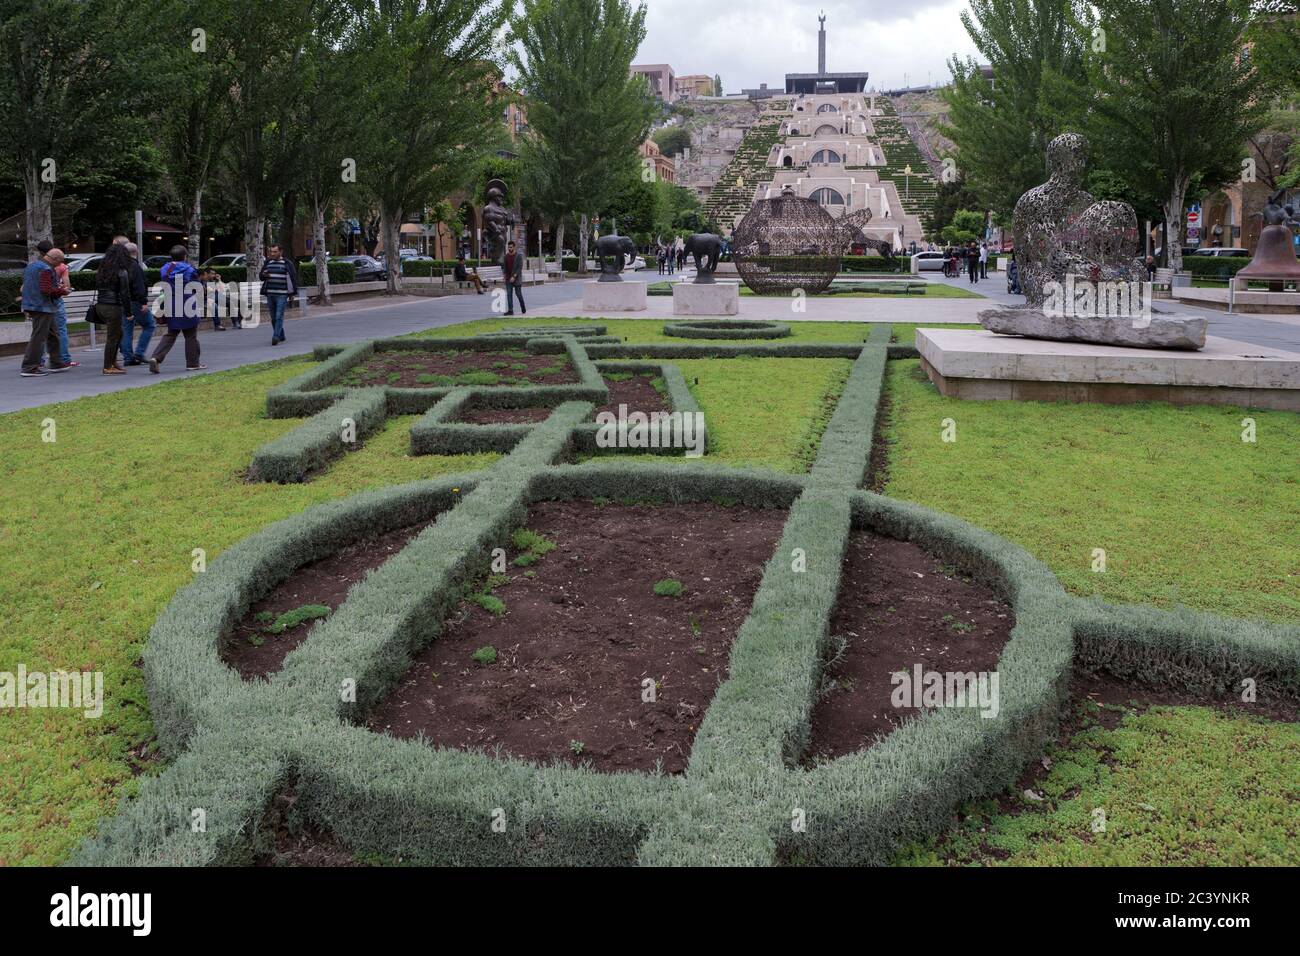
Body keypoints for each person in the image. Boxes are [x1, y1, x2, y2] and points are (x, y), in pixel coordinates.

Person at [19, 245, 73, 377]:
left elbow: (32, 286)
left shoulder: (32, 266)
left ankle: (56, 362)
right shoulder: (46, 269)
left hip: (34, 305)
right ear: (54, 259)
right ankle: (29, 367)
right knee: (39, 337)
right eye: (60, 262)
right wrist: (62, 291)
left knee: (53, 334)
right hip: (43, 307)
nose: (60, 265)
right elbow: (46, 290)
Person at [149, 244, 204, 373]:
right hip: (186, 301)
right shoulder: (189, 269)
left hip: (170, 302)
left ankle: (156, 357)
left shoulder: (165, 269)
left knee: (171, 332)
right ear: (185, 256)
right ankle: (193, 363)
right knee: (190, 334)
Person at [34, 239, 79, 369]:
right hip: (56, 300)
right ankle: (63, 358)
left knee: (40, 333)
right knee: (60, 330)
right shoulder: (61, 266)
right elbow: (67, 286)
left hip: (41, 302)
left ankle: (39, 361)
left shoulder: (37, 265)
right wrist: (63, 289)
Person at [94, 243, 133, 375]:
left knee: (118, 334)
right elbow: (125, 293)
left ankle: (113, 362)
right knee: (113, 337)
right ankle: (107, 366)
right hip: (113, 307)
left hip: (101, 305)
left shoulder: (103, 270)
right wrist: (128, 312)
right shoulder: (122, 272)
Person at [120, 242, 156, 365]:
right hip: (135, 301)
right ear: (136, 252)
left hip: (123, 302)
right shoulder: (135, 266)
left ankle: (128, 358)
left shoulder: (120, 266)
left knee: (127, 329)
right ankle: (139, 353)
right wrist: (144, 302)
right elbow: (139, 286)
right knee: (149, 325)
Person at [258, 243, 299, 345]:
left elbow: (293, 279)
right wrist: (264, 274)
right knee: (273, 318)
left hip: (282, 294)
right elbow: (261, 277)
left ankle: (275, 337)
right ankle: (282, 335)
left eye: (275, 252)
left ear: (281, 252)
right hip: (270, 294)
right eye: (271, 251)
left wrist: (292, 294)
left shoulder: (287, 263)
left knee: (278, 316)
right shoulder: (268, 262)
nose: (272, 254)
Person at [197, 266, 227, 331]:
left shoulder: (210, 281)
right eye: (212, 274)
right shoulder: (199, 282)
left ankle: (236, 322)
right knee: (214, 305)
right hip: (203, 300)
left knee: (228, 301)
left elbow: (219, 290)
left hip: (210, 298)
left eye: (214, 274)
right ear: (205, 274)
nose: (213, 275)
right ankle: (217, 325)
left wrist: (219, 280)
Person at [502, 240, 525, 315]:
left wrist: (514, 276)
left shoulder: (518, 256)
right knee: (509, 294)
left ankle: (523, 307)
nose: (509, 249)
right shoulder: (506, 256)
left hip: (516, 278)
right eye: (508, 247)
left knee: (518, 294)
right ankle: (510, 310)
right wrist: (504, 275)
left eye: (511, 247)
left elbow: (519, 267)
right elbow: (505, 267)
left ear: (514, 247)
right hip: (508, 279)